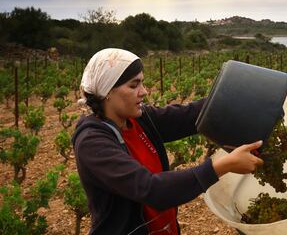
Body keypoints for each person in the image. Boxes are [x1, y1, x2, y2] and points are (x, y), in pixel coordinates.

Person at [72, 48, 264, 235]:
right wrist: (222, 166)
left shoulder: (139, 119)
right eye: (134, 85)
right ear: (107, 91)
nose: (144, 92)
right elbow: (151, 190)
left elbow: (189, 115)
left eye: (142, 83)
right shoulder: (92, 142)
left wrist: (242, 99)